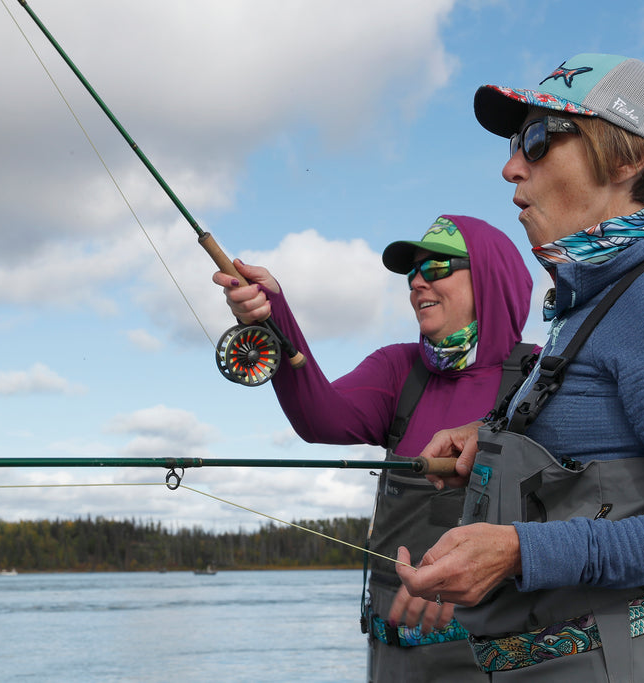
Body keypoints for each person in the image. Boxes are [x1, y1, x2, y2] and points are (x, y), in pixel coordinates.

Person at [395, 54, 644, 680]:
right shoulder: (582, 307)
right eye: (516, 144)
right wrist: (487, 443)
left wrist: (518, 550)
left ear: (628, 162)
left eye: (537, 141)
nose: (511, 166)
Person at [213, 215, 533, 681]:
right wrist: (274, 316)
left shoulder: (542, 380)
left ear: (490, 276)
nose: (418, 282)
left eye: (437, 267)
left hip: (507, 658)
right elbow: (320, 418)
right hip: (394, 657)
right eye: (412, 273)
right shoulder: (398, 368)